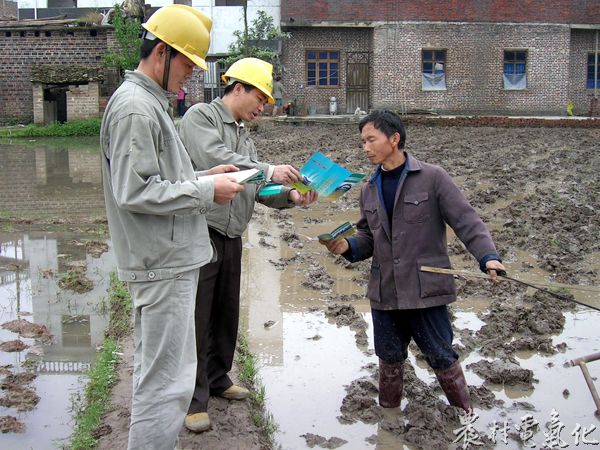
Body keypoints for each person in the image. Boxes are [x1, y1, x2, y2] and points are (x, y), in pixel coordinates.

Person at [100, 6, 245, 449]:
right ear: (161, 52)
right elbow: (135, 190)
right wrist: (206, 193)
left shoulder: (149, 104)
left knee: (164, 378)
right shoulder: (135, 109)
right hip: (162, 265)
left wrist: (204, 178)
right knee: (166, 386)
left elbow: (158, 180)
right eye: (186, 65)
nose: (190, 77)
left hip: (169, 260)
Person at [319, 110, 505, 412]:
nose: (365, 147)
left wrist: (488, 257)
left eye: (370, 140)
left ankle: (465, 416)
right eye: (362, 142)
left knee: (442, 357)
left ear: (394, 139)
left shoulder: (432, 178)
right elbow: (369, 237)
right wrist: (346, 246)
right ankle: (388, 423)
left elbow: (467, 221)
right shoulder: (368, 188)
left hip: (425, 292)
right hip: (386, 292)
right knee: (389, 360)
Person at [178, 57, 317, 433]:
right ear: (237, 88)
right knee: (197, 316)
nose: (262, 106)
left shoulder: (245, 135)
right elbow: (217, 161)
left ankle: (218, 377)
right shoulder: (201, 118)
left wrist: (290, 195)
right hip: (200, 230)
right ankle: (193, 398)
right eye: (259, 97)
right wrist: (269, 169)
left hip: (231, 232)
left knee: (225, 312)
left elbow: (255, 187)